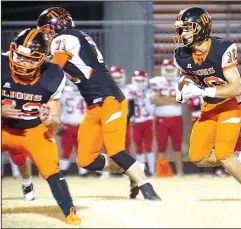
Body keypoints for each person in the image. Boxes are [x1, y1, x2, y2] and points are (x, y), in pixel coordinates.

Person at [37, 7, 160, 200]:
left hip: (110, 100)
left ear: (54, 28)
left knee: (116, 151)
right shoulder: (76, 36)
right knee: (86, 160)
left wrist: (32, 73)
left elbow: (55, 69)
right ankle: (136, 168)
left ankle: (148, 189)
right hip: (94, 106)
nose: (46, 36)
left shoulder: (64, 39)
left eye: (46, 31)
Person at [173, 7, 241, 201]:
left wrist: (202, 90)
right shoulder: (182, 55)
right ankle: (240, 162)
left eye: (187, 28)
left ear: (201, 28)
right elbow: (185, 74)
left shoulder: (222, 48)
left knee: (223, 154)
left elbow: (236, 87)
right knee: (197, 157)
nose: (182, 33)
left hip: (231, 104)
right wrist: (181, 87)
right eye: (181, 29)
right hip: (210, 106)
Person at [1, 28, 81, 224]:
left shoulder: (53, 74)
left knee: (51, 169)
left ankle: (69, 212)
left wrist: (48, 119)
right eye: (19, 56)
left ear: (41, 59)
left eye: (29, 58)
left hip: (34, 130)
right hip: (3, 126)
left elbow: (55, 119)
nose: (22, 62)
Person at [150, 59, 184, 177]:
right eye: (167, 70)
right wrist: (171, 99)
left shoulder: (180, 81)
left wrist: (164, 99)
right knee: (161, 146)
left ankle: (180, 172)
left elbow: (179, 100)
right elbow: (156, 100)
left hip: (177, 117)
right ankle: (160, 171)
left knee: (177, 146)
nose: (170, 72)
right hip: (161, 117)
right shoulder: (156, 81)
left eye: (171, 69)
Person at [59, 79, 88, 176]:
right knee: (66, 149)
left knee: (81, 149)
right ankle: (63, 170)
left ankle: (83, 171)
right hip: (67, 125)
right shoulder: (64, 91)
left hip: (81, 125)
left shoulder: (85, 91)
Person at [130, 70, 155, 176]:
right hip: (136, 123)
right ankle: (141, 172)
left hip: (147, 121)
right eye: (137, 81)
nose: (139, 83)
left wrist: (144, 99)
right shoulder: (129, 91)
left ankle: (153, 171)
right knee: (139, 147)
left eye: (142, 81)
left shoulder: (149, 93)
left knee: (149, 146)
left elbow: (152, 111)